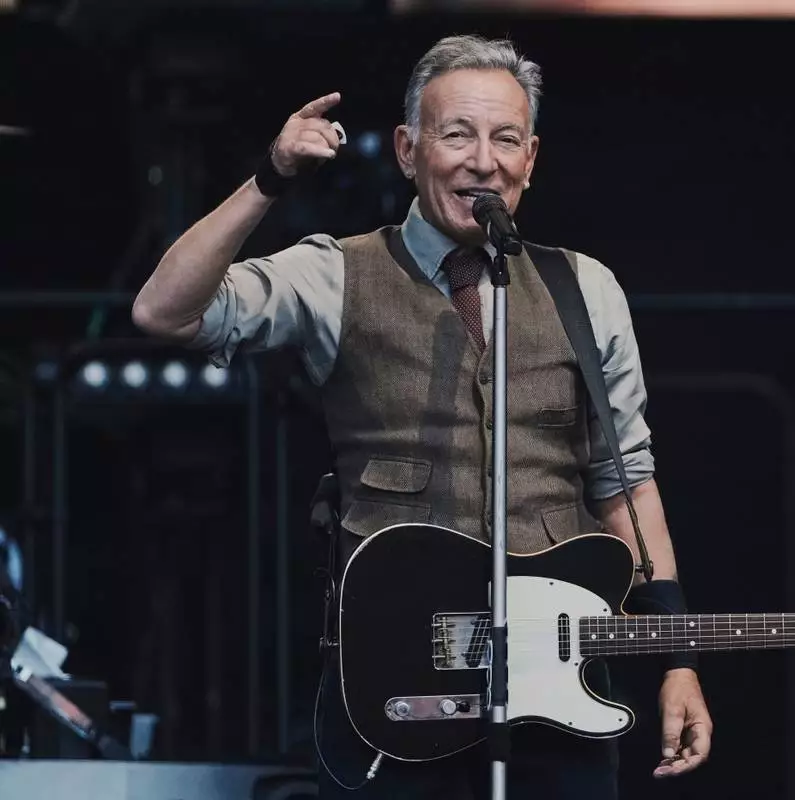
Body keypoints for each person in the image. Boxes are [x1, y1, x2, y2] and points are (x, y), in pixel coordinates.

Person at [132, 34, 712, 798]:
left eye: (506, 139)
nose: (484, 161)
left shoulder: (586, 289)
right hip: (393, 688)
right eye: (458, 135)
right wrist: (269, 178)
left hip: (555, 693)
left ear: (531, 158)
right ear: (409, 150)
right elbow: (165, 312)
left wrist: (676, 660)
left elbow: (626, 484)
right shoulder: (337, 272)